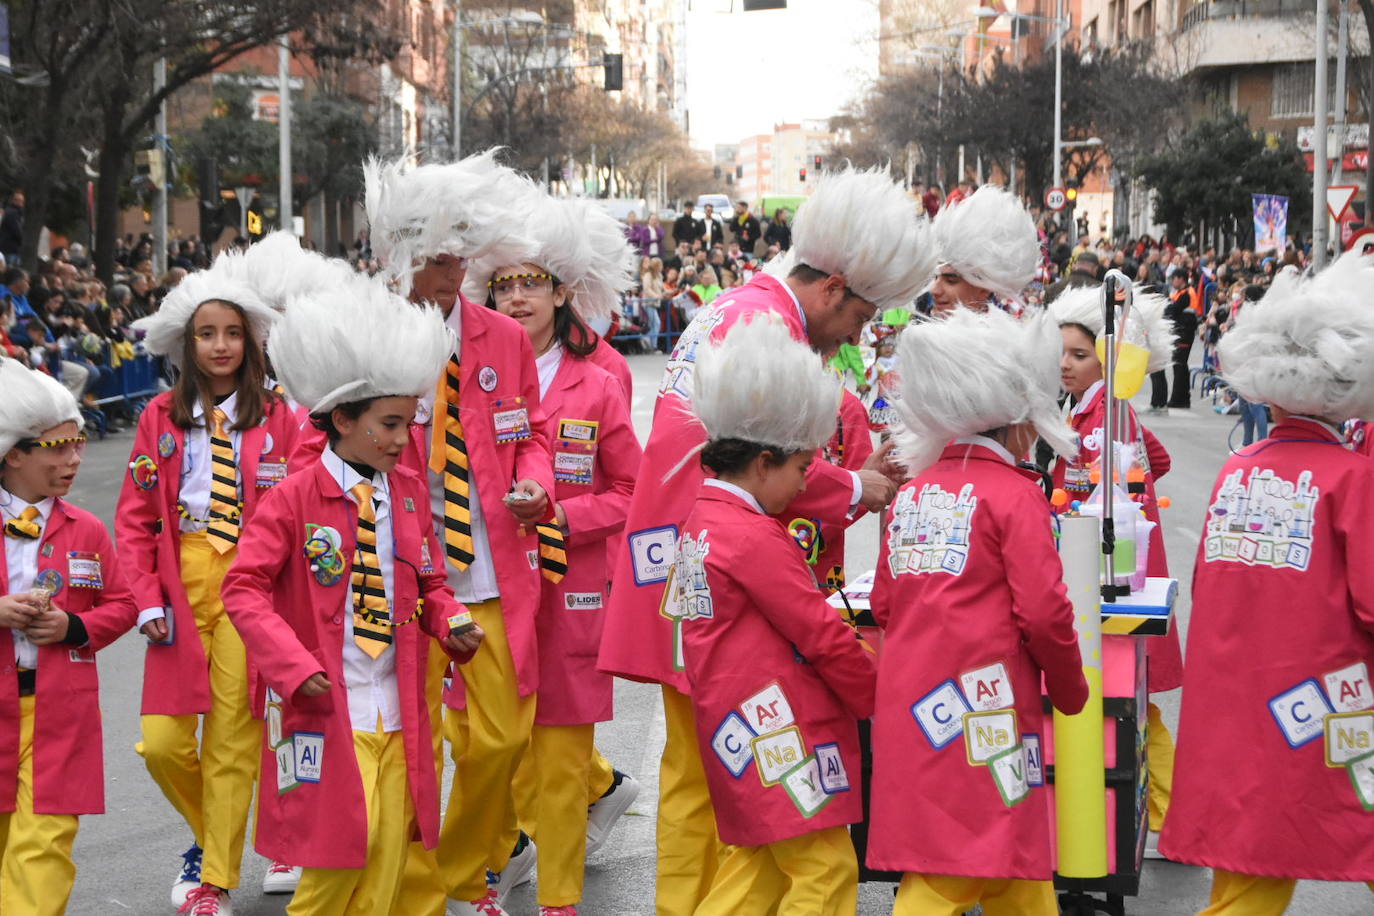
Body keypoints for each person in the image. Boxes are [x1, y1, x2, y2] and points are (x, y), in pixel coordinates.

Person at [597, 166, 931, 916]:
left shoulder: (739, 308)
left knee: (700, 776)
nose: (860, 334)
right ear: (835, 287)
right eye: (862, 314)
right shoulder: (765, 327)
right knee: (712, 786)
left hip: (685, 568)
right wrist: (853, 486)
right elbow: (751, 458)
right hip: (723, 578)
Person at [222, 273, 482, 916]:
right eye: (390, 424)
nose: (403, 439)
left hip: (398, 709)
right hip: (328, 709)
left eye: (409, 423)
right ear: (343, 419)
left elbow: (430, 582)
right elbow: (243, 588)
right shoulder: (293, 498)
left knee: (391, 854)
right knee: (340, 860)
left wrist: (451, 622)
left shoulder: (409, 492)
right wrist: (292, 665)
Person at [362, 152, 555, 916]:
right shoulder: (366, 336)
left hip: (493, 573)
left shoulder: (502, 339)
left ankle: (464, 869)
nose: (452, 271)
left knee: (503, 740)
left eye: (459, 254)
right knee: (412, 743)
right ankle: (419, 891)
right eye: (438, 257)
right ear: (404, 255)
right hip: (404, 574)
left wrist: (534, 477)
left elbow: (533, 429)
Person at [1161, 253, 1374, 913]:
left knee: (1248, 870)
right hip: (1333, 702)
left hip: (1240, 699)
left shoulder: (1238, 468)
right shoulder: (1351, 478)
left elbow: (1208, 585)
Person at [869, 307, 1088, 916]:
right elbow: (1045, 613)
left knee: (1012, 863)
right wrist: (1070, 688)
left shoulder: (912, 493)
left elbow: (884, 602)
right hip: (986, 708)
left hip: (915, 704)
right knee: (951, 872)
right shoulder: (1016, 495)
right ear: (1019, 422)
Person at [466, 194, 644, 916]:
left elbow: (635, 491)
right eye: (503, 284)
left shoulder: (599, 385)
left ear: (561, 291)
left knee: (564, 762)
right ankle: (487, 872)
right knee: (488, 748)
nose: (516, 297)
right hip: (485, 592)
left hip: (570, 592)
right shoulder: (461, 380)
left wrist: (566, 517)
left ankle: (560, 901)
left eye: (530, 282)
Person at [117, 263, 303, 915]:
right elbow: (136, 520)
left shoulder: (282, 417)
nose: (220, 346)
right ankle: (211, 834)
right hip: (180, 575)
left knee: (232, 735)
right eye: (206, 334)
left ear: (251, 342)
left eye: (231, 333)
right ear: (186, 344)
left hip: (252, 580)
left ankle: (213, 877)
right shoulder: (157, 419)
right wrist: (144, 597)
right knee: (163, 742)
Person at [677, 317, 877, 914]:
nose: (804, 485)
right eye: (801, 469)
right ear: (764, 462)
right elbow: (818, 632)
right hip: (781, 727)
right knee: (825, 869)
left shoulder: (703, 520)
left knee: (756, 875)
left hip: (737, 723)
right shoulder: (753, 536)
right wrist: (879, 696)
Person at [0, 358, 140, 916]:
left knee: (44, 847)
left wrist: (74, 626)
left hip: (60, 711)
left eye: (78, 444)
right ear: (14, 453)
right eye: (57, 448)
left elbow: (124, 605)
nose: (74, 459)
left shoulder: (87, 527)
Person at [1049, 284, 1183, 851]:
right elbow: (1159, 458)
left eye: (1079, 355)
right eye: (1061, 353)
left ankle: (1171, 817)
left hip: (1110, 572)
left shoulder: (1102, 416)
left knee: (1132, 697)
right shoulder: (1093, 409)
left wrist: (1127, 504)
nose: (1065, 364)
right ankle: (1170, 817)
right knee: (1133, 697)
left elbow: (1099, 484)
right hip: (1106, 568)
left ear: (1104, 358)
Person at [928, 185, 1039, 316]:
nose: (934, 289)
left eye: (951, 280)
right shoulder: (916, 333)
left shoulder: (1019, 333)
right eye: (935, 277)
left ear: (985, 288)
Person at [0, 192, 24, 265]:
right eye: (18, 200)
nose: (20, 203)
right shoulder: (13, 213)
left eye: (22, 201)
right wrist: (22, 239)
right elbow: (16, 231)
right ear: (13, 200)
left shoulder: (12, 212)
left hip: (8, 247)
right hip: (10, 249)